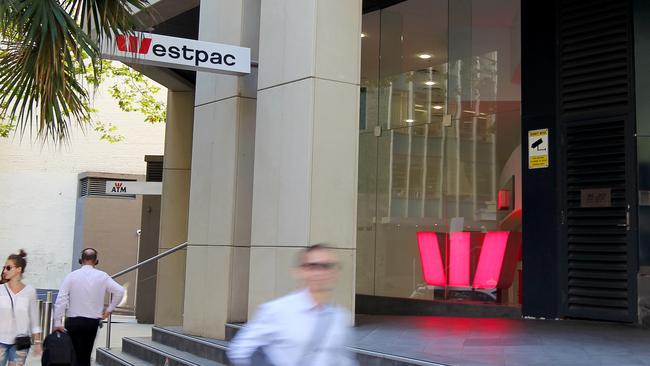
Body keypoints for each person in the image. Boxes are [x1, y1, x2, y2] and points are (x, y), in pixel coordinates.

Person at [228, 244, 357, 366]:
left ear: (336, 272)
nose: (320, 272)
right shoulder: (277, 310)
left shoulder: (339, 317)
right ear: (300, 271)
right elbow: (240, 349)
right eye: (313, 266)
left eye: (327, 266)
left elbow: (343, 360)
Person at [53, 248, 124, 366]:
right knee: (85, 355)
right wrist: (109, 310)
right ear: (96, 261)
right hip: (92, 322)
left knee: (73, 354)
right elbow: (120, 291)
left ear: (80, 260)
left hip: (73, 321)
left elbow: (61, 298)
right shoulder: (102, 276)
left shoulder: (71, 276)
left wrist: (57, 321)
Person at [0, 250, 42, 366]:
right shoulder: (1, 289)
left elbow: (34, 318)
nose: (4, 271)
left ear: (18, 269)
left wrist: (38, 342)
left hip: (20, 342)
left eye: (8, 268)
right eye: (4, 267)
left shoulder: (29, 291)